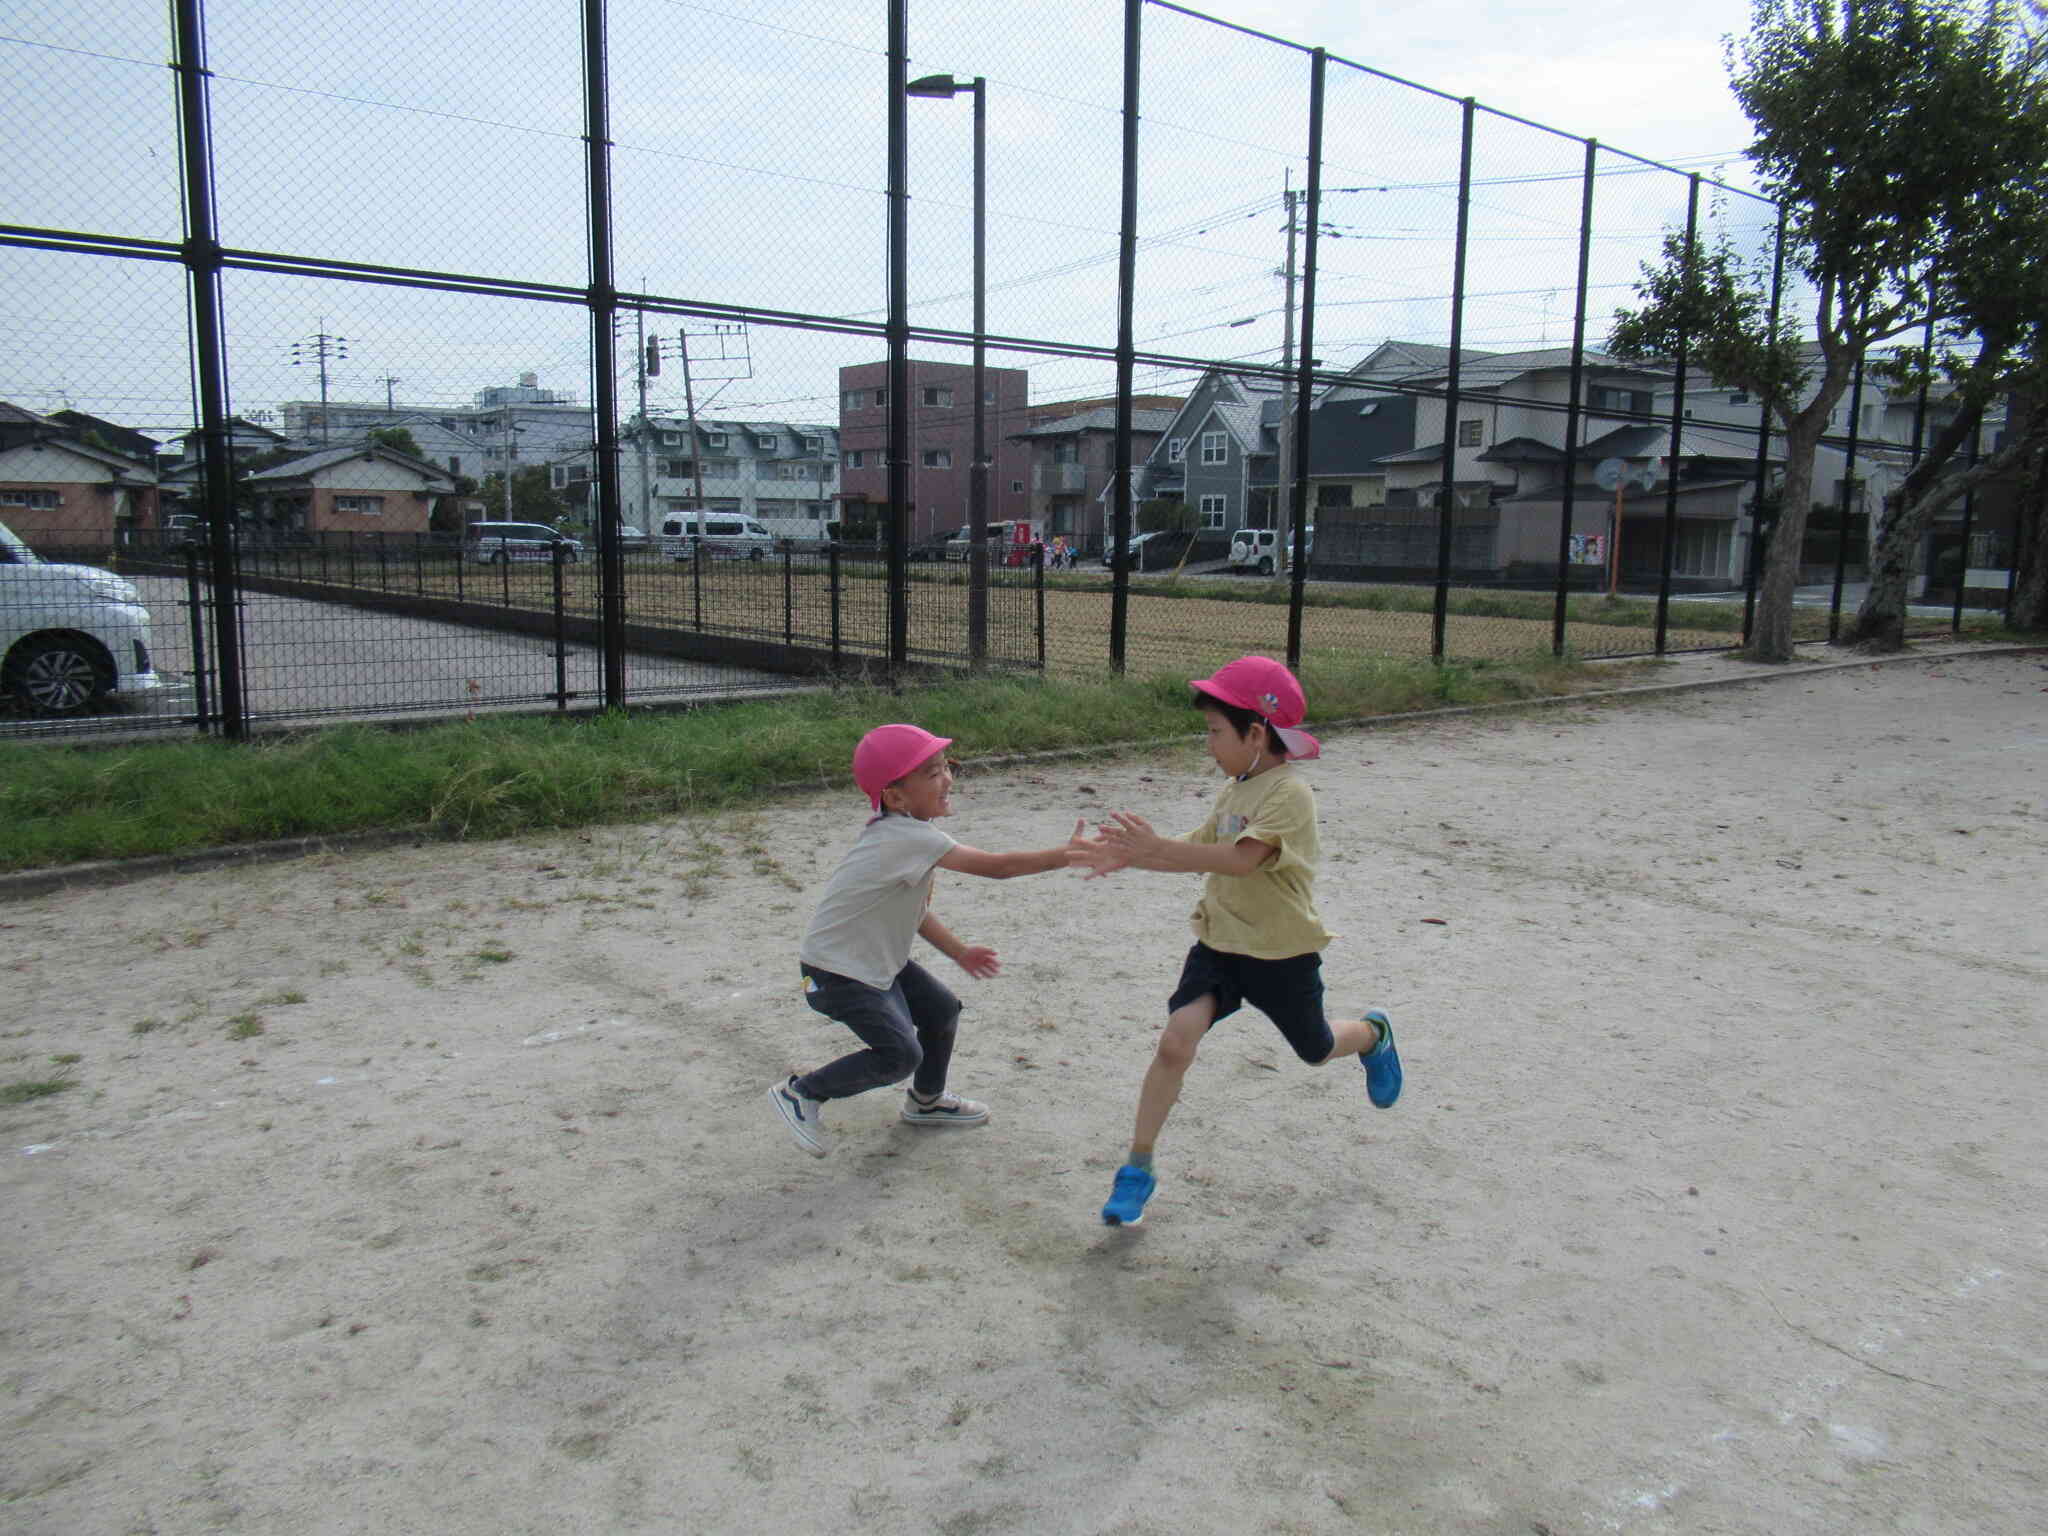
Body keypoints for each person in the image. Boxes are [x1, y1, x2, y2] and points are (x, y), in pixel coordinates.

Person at [1068, 656, 1403, 1226]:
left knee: (1316, 1048)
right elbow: (1196, 850)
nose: (1209, 745)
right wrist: (1130, 856)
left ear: (1256, 733)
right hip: (1219, 946)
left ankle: (1372, 1035)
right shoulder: (1235, 788)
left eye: (1216, 732)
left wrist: (1156, 848)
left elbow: (1240, 860)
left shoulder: (1289, 795)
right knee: (1176, 1040)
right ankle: (1138, 1167)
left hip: (1280, 954)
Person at [769, 723, 1086, 1158]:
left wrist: (959, 952)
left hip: (874, 962)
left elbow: (911, 912)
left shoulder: (899, 834)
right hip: (837, 973)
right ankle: (802, 1093)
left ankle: (926, 1101)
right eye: (933, 773)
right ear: (896, 797)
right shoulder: (907, 836)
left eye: (946, 767)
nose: (948, 778)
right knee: (899, 1054)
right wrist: (1065, 855)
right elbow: (999, 867)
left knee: (940, 1010)